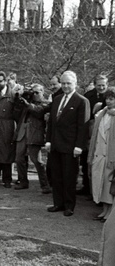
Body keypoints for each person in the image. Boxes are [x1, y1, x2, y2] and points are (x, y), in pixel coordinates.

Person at [45, 70, 90, 217]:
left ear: (75, 84)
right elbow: (52, 122)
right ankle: (58, 203)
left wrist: (79, 146)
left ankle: (69, 206)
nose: (65, 86)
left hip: (71, 147)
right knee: (56, 176)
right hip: (56, 145)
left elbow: (83, 127)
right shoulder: (57, 99)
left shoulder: (82, 101)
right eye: (63, 83)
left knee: (69, 177)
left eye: (68, 83)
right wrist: (48, 140)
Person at [13, 84, 51, 194]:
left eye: (37, 93)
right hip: (22, 132)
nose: (34, 95)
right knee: (19, 158)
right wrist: (18, 99)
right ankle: (23, 181)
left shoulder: (46, 103)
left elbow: (38, 112)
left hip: (35, 133)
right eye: (32, 92)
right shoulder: (28, 102)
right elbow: (16, 114)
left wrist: (26, 103)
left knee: (37, 161)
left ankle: (44, 184)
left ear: (43, 92)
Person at [88, 88, 115, 222]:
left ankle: (109, 212)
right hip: (99, 153)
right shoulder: (102, 114)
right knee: (100, 183)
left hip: (111, 155)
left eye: (112, 99)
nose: (109, 101)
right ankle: (104, 210)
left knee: (109, 185)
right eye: (107, 99)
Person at [78, 74, 108, 196]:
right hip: (90, 130)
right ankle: (87, 187)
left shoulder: (111, 95)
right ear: (95, 85)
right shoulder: (88, 96)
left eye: (103, 85)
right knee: (86, 159)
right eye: (99, 85)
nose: (101, 88)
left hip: (106, 131)